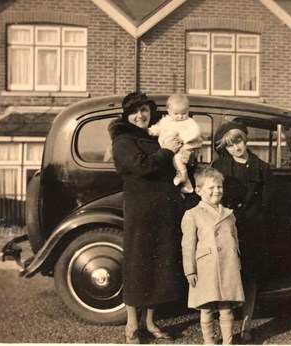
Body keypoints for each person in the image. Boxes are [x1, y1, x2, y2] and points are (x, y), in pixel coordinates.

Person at [108, 91, 184, 344]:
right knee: (138, 264)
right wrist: (166, 151)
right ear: (127, 116)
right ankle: (132, 325)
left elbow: (173, 158)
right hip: (141, 211)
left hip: (163, 209)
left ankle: (150, 322)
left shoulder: (156, 133)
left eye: (144, 110)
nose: (141, 115)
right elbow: (142, 165)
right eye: (135, 112)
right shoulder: (123, 140)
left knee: (159, 265)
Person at [211, 121, 273, 344]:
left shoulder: (263, 168)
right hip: (226, 230)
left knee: (250, 279)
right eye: (230, 145)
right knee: (225, 277)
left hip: (253, 230)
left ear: (245, 139)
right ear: (225, 148)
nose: (236, 147)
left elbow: (267, 204)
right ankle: (225, 328)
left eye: (238, 141)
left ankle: (246, 326)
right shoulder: (219, 166)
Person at [181, 166, 245, 345]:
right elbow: (188, 245)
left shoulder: (229, 214)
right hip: (205, 268)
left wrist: (236, 263)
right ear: (198, 191)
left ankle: (228, 341)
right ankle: (208, 341)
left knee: (226, 308)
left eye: (219, 187)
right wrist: (190, 271)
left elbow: (235, 239)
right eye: (211, 188)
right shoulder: (192, 214)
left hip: (228, 266)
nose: (216, 191)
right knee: (207, 307)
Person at [148, 93, 202, 194]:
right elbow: (159, 127)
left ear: (188, 111)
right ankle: (187, 185)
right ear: (168, 111)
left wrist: (183, 137)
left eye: (184, 113)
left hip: (184, 146)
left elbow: (195, 132)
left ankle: (182, 176)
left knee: (177, 159)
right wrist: (152, 131)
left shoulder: (189, 122)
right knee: (175, 162)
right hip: (169, 148)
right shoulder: (165, 121)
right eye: (176, 114)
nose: (180, 117)